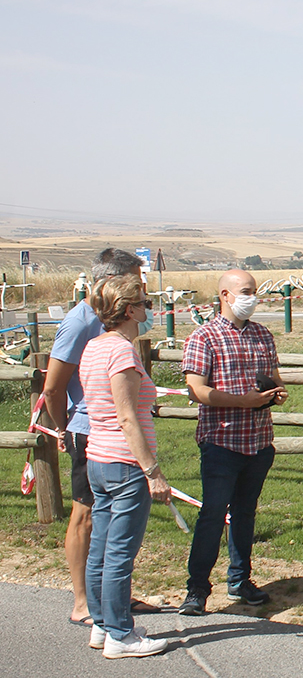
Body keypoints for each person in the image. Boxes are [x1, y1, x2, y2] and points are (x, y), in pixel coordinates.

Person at [41, 248, 158, 627]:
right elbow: (54, 388)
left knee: (110, 531)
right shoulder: (79, 324)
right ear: (114, 286)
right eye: (137, 287)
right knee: (87, 517)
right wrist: (62, 428)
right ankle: (83, 602)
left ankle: (111, 599)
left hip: (108, 432)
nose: (143, 294)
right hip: (90, 431)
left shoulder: (109, 330)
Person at [178, 270, 288, 616]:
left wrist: (276, 393)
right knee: (212, 515)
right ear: (225, 295)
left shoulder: (262, 335)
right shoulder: (204, 337)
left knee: (245, 514)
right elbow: (196, 389)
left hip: (258, 441)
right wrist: (244, 401)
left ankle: (240, 580)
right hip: (222, 442)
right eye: (245, 291)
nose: (252, 297)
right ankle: (197, 588)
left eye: (254, 291)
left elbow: (274, 377)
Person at [79, 275, 170, 658]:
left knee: (100, 547)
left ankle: (103, 624)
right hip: (124, 462)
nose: (149, 310)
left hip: (97, 459)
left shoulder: (93, 348)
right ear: (129, 309)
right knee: (119, 552)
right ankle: (120, 633)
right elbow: (128, 417)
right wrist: (152, 471)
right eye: (145, 303)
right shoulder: (120, 352)